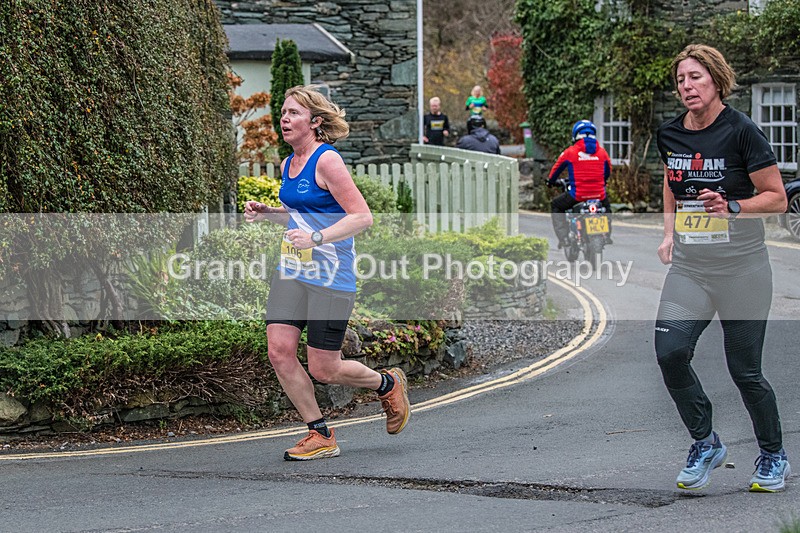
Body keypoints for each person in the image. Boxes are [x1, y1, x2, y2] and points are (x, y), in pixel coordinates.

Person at [244, 85, 410, 461]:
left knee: (324, 367)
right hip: (292, 269)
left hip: (331, 276)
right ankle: (320, 434)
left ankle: (386, 382)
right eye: (283, 113)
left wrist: (317, 238)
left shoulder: (327, 160)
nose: (284, 119)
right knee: (279, 351)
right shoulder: (289, 163)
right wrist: (270, 212)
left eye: (293, 114)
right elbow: (303, 213)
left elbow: (361, 216)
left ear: (315, 122)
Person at [655, 44, 790, 492]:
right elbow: (672, 182)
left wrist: (732, 205)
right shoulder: (670, 134)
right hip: (691, 268)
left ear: (715, 79)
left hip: (743, 270)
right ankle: (704, 441)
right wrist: (670, 233)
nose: (687, 86)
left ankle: (773, 455)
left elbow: (776, 197)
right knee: (671, 353)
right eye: (680, 80)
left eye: (695, 77)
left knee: (745, 371)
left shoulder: (742, 131)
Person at [546, 120, 612, 249]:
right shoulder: (602, 152)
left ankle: (564, 238)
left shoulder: (570, 152)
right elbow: (608, 171)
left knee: (556, 205)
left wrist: (551, 181)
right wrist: (602, 182)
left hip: (578, 195)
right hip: (599, 195)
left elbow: (556, 169)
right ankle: (607, 235)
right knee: (607, 209)